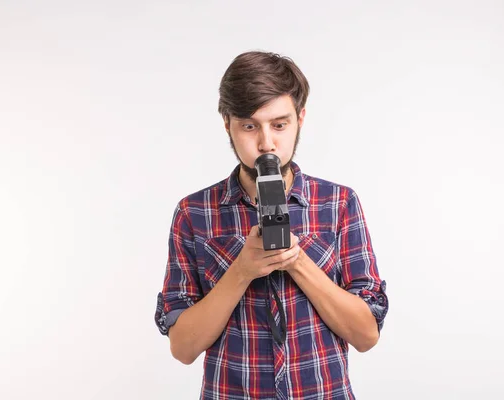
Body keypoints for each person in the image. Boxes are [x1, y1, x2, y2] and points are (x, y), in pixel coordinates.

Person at [154, 50, 389, 400]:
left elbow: (366, 335)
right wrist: (242, 271)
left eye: (279, 125)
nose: (266, 144)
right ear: (227, 123)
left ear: (300, 119)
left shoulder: (339, 203)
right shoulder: (194, 212)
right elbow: (183, 348)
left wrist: (296, 261)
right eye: (250, 126)